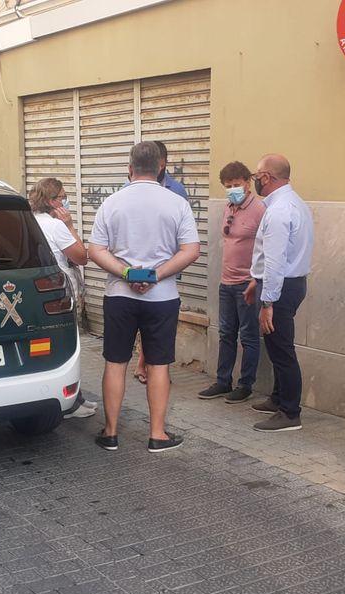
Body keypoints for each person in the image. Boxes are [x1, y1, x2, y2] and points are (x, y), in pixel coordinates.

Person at [88, 141, 200, 453]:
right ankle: (157, 435)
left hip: (119, 296)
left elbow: (95, 250)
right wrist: (157, 275)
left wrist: (126, 274)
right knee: (159, 364)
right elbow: (191, 250)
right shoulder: (176, 203)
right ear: (161, 168)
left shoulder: (112, 203)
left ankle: (110, 432)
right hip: (162, 297)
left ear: (129, 168)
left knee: (115, 361)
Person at [244, 153, 314, 432]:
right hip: (290, 284)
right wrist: (255, 281)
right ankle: (278, 398)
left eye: (256, 176)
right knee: (275, 345)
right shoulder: (293, 203)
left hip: (280, 288)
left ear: (267, 178)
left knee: (282, 349)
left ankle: (289, 412)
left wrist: (267, 301)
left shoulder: (278, 211)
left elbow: (275, 260)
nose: (254, 181)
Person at [28, 177, 97, 420]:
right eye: (62, 197)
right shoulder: (55, 226)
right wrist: (69, 225)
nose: (65, 201)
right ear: (50, 201)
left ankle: (72, 398)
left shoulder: (29, 222)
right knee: (68, 346)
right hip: (60, 294)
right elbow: (81, 256)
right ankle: (70, 402)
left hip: (36, 293)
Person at [198, 161, 265, 403]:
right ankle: (222, 381)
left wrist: (257, 280)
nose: (233, 189)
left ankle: (245, 385)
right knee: (226, 333)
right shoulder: (229, 207)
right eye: (228, 186)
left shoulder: (260, 209)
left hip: (247, 283)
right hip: (226, 282)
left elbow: (267, 248)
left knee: (248, 336)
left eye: (237, 185)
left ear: (248, 183)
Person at [133, 140, 192, 386]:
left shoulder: (177, 192)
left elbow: (185, 240)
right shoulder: (130, 189)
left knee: (157, 319)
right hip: (134, 271)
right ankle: (143, 363)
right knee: (142, 316)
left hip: (166, 268)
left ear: (162, 164)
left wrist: (161, 271)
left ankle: (152, 366)